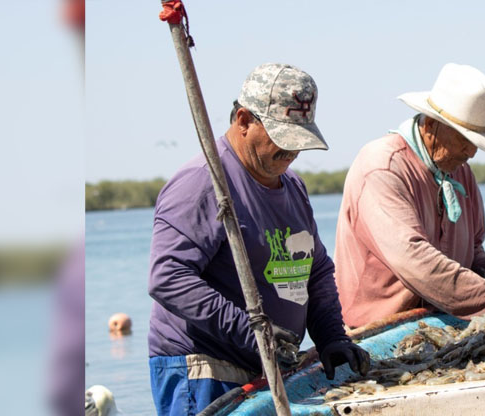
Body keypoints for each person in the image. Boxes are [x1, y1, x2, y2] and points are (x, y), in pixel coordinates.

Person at [147, 63, 369, 415]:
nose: (292, 151)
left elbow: (316, 269)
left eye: (299, 140)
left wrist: (331, 337)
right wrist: (252, 332)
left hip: (269, 365)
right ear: (243, 120)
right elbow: (169, 278)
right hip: (209, 370)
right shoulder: (203, 182)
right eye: (282, 138)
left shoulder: (292, 185)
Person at [334, 63, 485, 328]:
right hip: (377, 329)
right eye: (464, 139)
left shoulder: (460, 171)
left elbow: (473, 249)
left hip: (441, 320)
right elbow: (414, 260)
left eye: (477, 142)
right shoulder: (382, 166)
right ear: (432, 125)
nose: (471, 152)